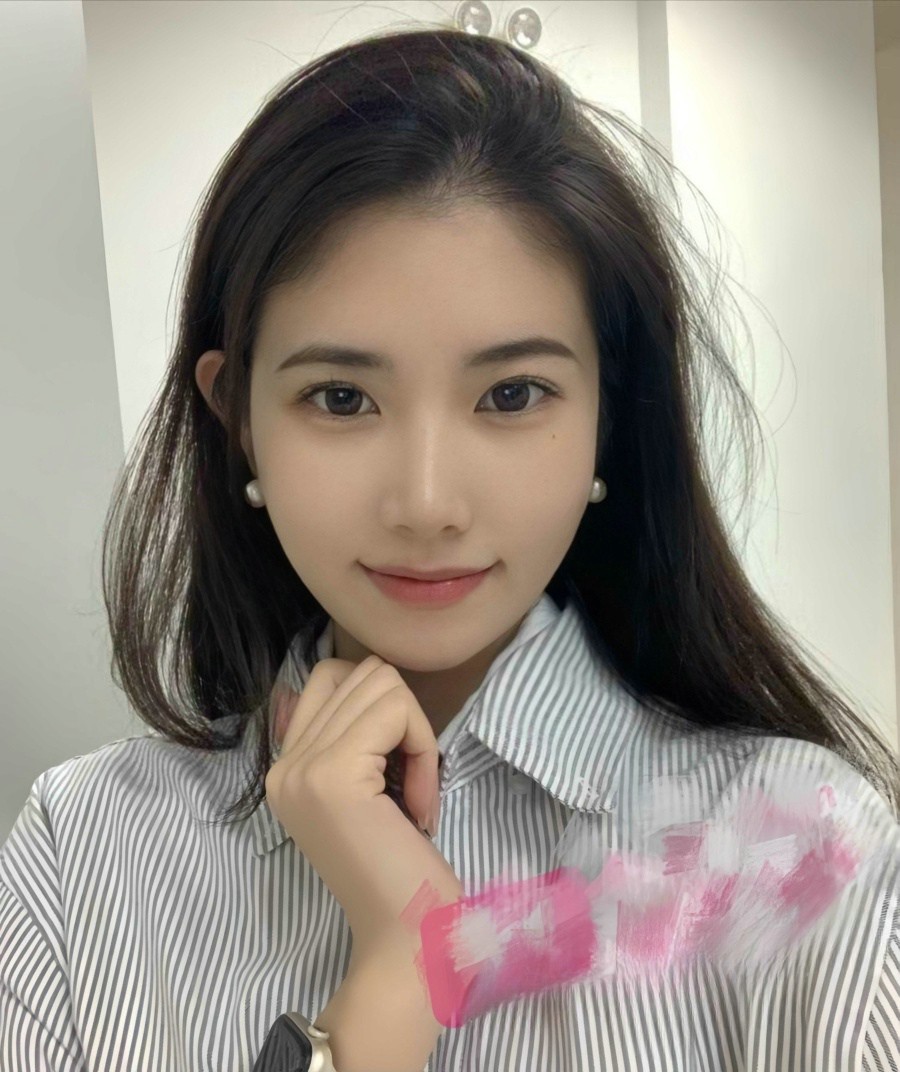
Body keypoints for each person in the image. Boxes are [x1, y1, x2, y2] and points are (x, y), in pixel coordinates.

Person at [2, 23, 899, 1072]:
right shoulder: (85, 850)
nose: (426, 504)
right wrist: (397, 979)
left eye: (512, 395)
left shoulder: (805, 849)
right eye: (341, 398)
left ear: (609, 416)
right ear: (238, 415)